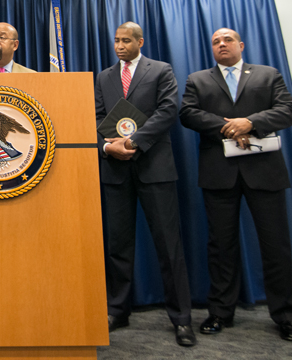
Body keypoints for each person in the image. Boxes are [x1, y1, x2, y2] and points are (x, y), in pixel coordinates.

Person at [179, 28, 292, 342]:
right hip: (219, 173)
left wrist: (251, 122)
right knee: (221, 247)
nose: (221, 44)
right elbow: (188, 114)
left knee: (276, 245)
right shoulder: (198, 79)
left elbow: (288, 111)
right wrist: (229, 127)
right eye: (216, 42)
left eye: (227, 40)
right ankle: (220, 312)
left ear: (241, 45)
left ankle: (287, 316)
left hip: (265, 171)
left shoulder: (267, 74)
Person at [94, 22, 196, 347]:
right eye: (116, 40)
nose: (119, 46)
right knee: (118, 246)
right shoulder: (104, 77)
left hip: (154, 168)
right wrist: (107, 147)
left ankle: (181, 319)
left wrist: (134, 141)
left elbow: (167, 110)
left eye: (126, 40)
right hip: (115, 170)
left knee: (168, 245)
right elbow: (97, 117)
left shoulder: (161, 70)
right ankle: (117, 310)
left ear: (140, 41)